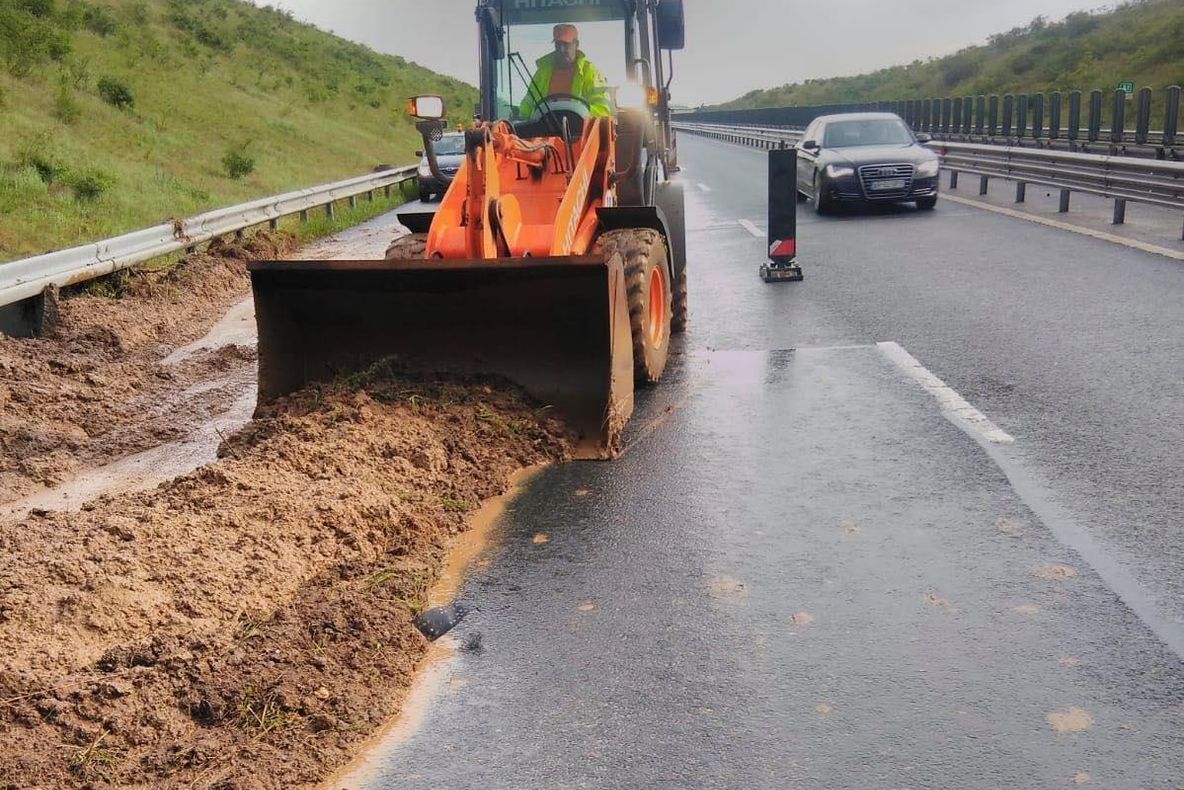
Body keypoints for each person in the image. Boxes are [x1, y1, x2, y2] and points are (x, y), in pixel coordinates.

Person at [519, 23, 612, 119]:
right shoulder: (542, 72)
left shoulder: (591, 72)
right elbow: (528, 104)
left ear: (576, 44)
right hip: (543, 128)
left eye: (566, 44)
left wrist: (580, 113)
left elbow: (603, 109)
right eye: (558, 45)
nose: (561, 50)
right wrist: (520, 116)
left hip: (579, 131)